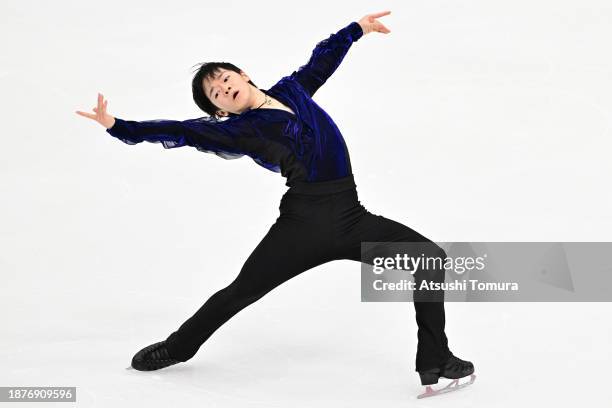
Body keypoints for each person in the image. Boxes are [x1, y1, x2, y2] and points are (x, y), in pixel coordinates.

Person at [76, 10, 474, 391]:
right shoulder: (239, 130)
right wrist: (118, 126)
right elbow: (181, 130)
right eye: (216, 93)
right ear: (219, 108)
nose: (224, 87)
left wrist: (356, 29)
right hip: (303, 226)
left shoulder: (292, 90)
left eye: (225, 78)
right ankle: (178, 347)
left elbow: (321, 61)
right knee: (241, 291)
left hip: (352, 216)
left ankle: (435, 359)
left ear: (243, 75)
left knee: (429, 259)